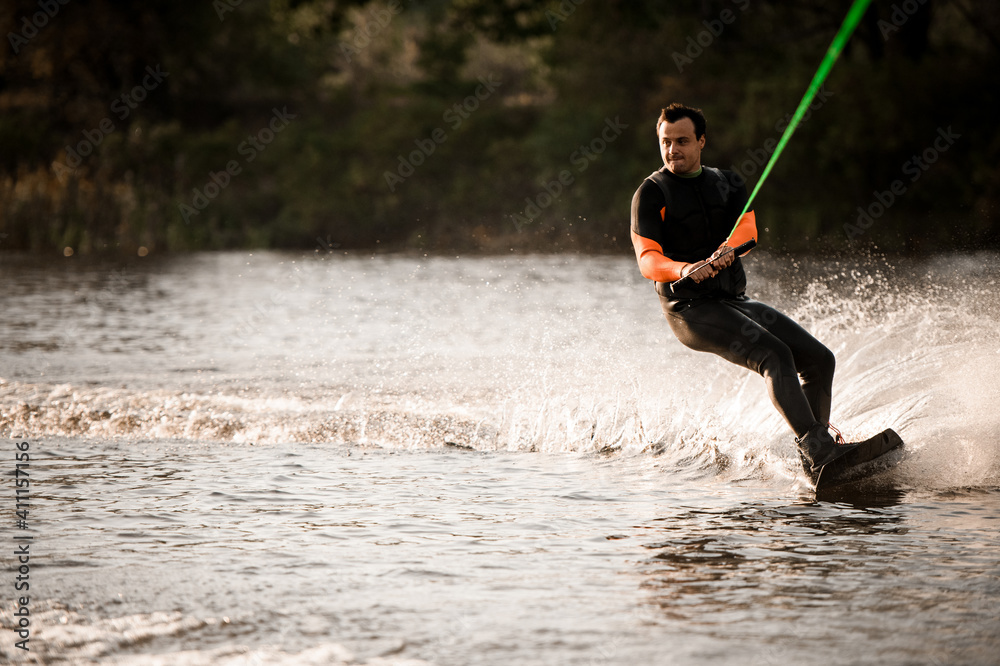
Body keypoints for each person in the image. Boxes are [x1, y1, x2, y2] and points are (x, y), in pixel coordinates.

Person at [629, 102, 850, 477]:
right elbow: (647, 258)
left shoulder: (728, 183)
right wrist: (684, 268)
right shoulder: (651, 194)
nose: (672, 150)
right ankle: (819, 452)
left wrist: (729, 248)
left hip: (734, 300)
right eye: (665, 142)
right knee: (775, 355)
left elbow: (748, 230)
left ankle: (816, 456)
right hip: (689, 308)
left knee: (819, 360)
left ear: (701, 141)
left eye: (682, 141)